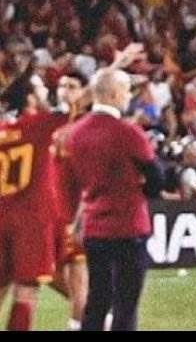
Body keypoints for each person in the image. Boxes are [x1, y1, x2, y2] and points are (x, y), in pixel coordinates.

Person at [64, 67, 164, 331]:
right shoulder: (127, 133)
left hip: (95, 227)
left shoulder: (76, 133)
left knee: (97, 301)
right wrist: (141, 188)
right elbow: (157, 178)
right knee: (125, 305)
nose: (129, 96)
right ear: (114, 94)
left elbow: (74, 180)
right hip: (129, 226)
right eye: (127, 91)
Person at [0, 70, 65, 330]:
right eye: (40, 88)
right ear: (30, 98)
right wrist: (116, 65)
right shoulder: (37, 125)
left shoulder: (4, 130)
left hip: (2, 217)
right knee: (26, 291)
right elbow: (77, 104)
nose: (45, 91)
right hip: (31, 222)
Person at [50, 72, 91, 331]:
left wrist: (80, 218)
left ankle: (78, 323)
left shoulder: (84, 128)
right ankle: (97, 312)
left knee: (77, 280)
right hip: (52, 215)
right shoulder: (54, 124)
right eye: (62, 85)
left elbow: (89, 179)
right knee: (46, 273)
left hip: (72, 216)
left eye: (72, 86)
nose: (64, 90)